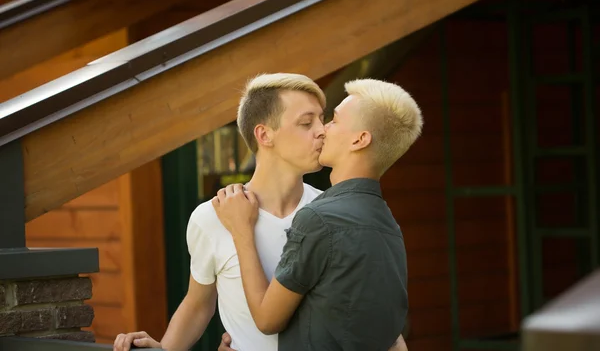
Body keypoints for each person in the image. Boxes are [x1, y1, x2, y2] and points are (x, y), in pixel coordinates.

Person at [113, 73, 407, 351]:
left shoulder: (335, 218)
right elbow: (198, 304)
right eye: (306, 123)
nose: (321, 130)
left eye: (323, 118)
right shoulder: (211, 217)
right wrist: (164, 349)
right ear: (264, 135)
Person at [213, 78, 422, 350]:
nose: (323, 130)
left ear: (360, 140)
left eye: (333, 120)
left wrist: (242, 230)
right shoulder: (389, 226)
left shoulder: (318, 218)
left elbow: (266, 320)